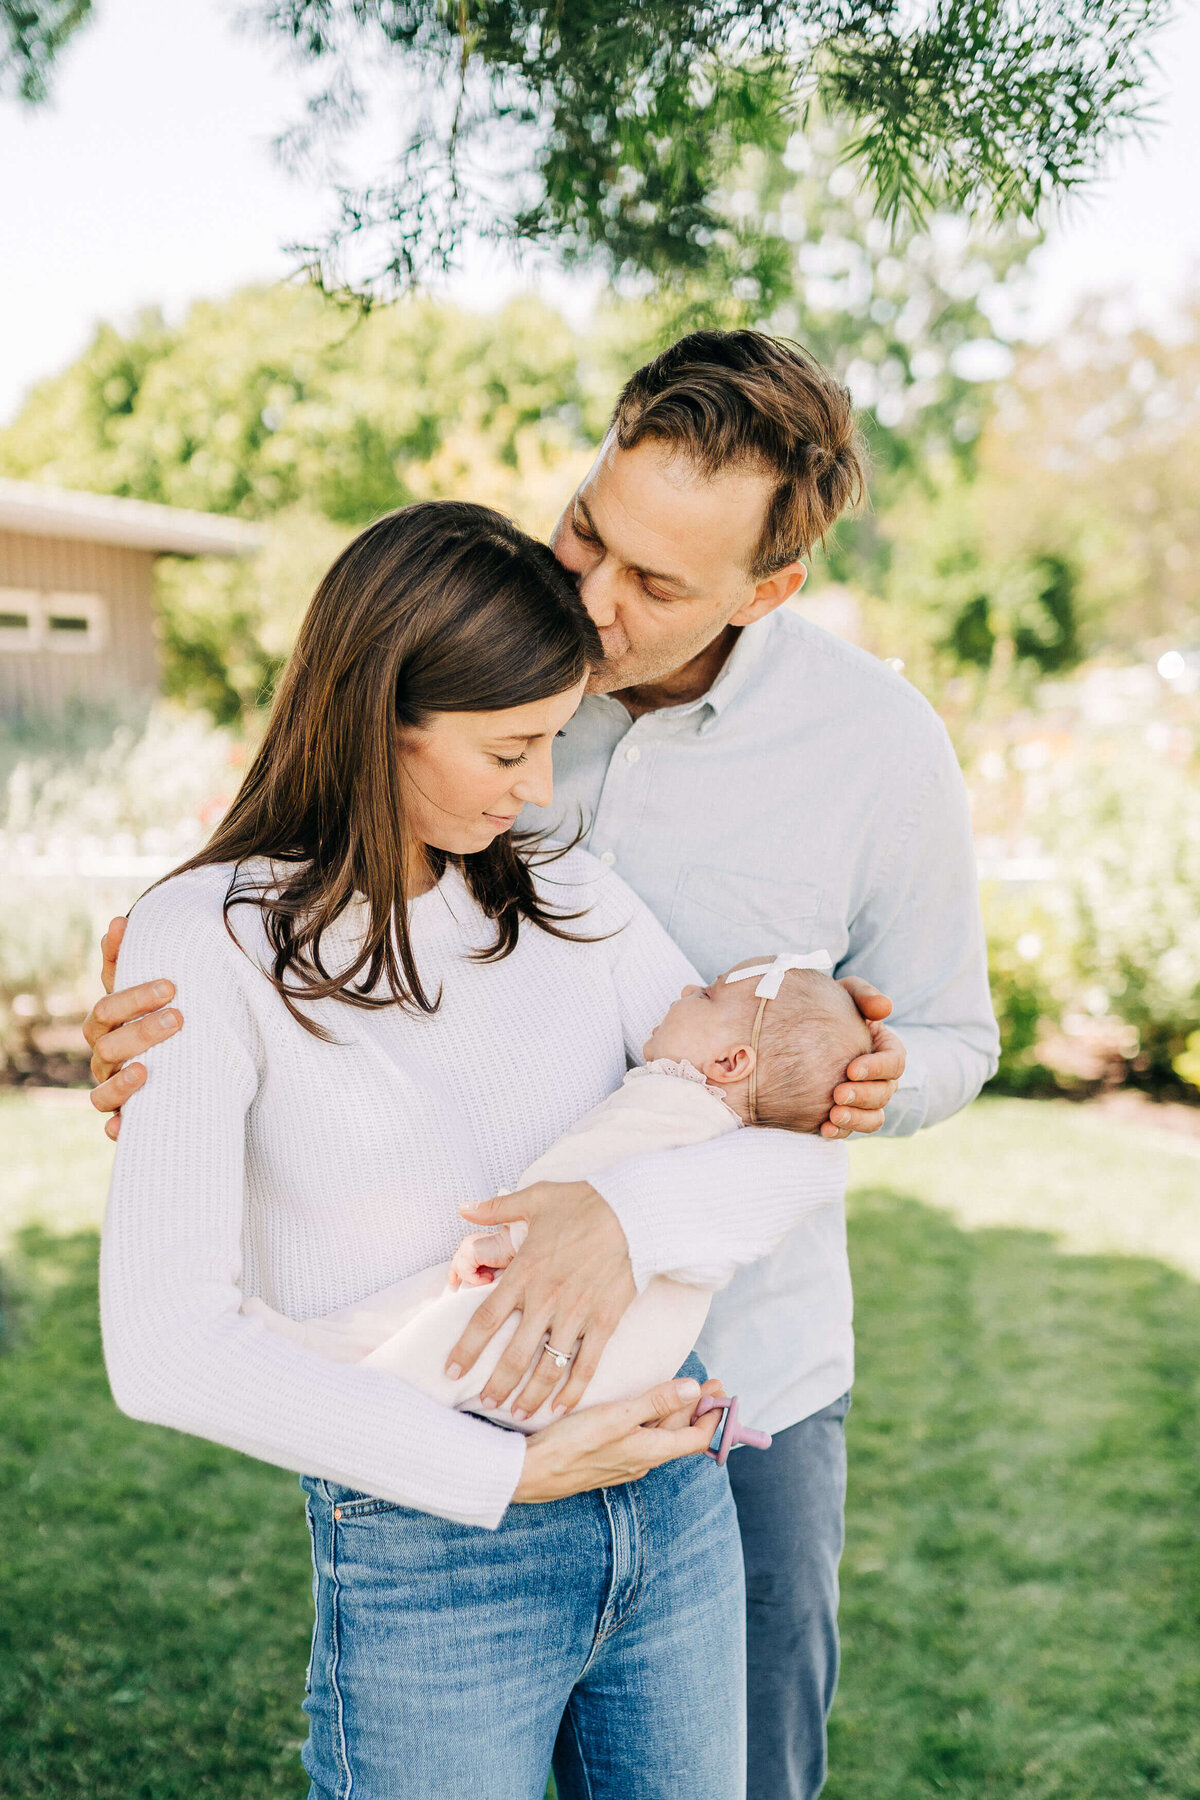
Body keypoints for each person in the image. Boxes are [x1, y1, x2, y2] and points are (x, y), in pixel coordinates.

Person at [86, 331, 999, 1800]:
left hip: (717, 1410)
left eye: (654, 585)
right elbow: (276, 895)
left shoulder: (849, 756)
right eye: (588, 532)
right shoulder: (476, 669)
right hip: (441, 1495)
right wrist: (163, 1039)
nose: (587, 600)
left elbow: (840, 1067)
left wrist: (662, 1197)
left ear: (766, 592)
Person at [242, 954, 873, 1432]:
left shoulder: (671, 1101)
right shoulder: (724, 1133)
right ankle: (326, 1355)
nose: (684, 989)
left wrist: (502, 1237)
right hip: (627, 1368)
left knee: (439, 1338)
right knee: (430, 1322)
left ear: (731, 1062)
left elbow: (577, 1177)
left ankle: (328, 1381)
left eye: (704, 996)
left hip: (563, 1339)